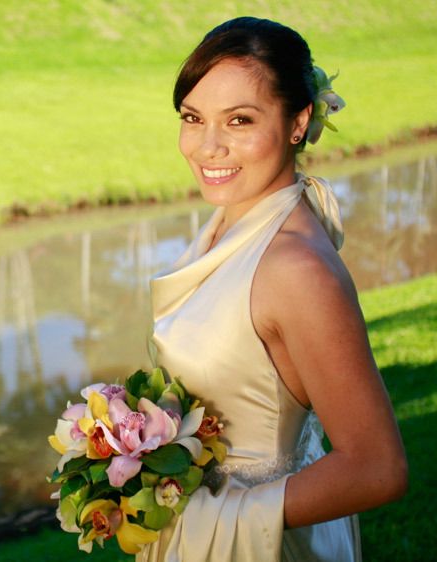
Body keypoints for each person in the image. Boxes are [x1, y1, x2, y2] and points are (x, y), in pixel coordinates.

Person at [143, 17, 407, 561]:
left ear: (298, 121)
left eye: (239, 120)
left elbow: (377, 468)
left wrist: (218, 518)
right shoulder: (238, 220)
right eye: (193, 118)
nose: (208, 147)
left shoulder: (294, 269)